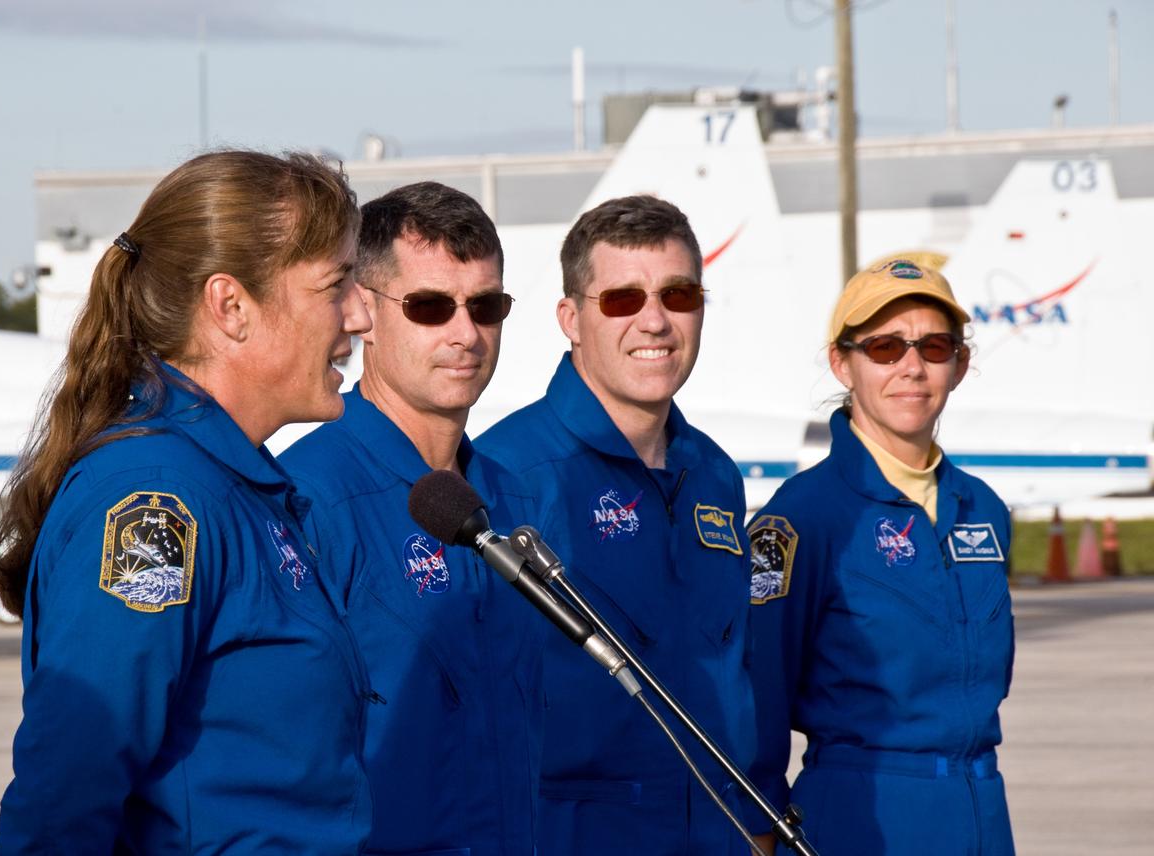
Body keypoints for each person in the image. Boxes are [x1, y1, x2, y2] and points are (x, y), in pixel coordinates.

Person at [0, 151, 375, 854]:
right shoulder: (157, 503)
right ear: (231, 306)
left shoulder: (238, 487)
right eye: (335, 284)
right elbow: (67, 791)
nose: (360, 314)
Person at [477, 195, 758, 855]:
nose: (655, 321)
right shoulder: (507, 475)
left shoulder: (715, 475)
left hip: (712, 826)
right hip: (571, 831)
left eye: (679, 295)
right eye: (623, 300)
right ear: (571, 319)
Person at [278, 182, 545, 856]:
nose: (466, 333)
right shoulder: (308, 498)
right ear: (362, 309)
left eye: (487, 306)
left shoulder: (513, 502)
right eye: (430, 307)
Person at [745, 259, 1015, 855]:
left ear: (960, 364)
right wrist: (759, 832)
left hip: (982, 814)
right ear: (843, 363)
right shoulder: (800, 519)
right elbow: (759, 694)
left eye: (934, 346)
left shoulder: (985, 511)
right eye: (886, 347)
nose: (912, 367)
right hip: (861, 818)